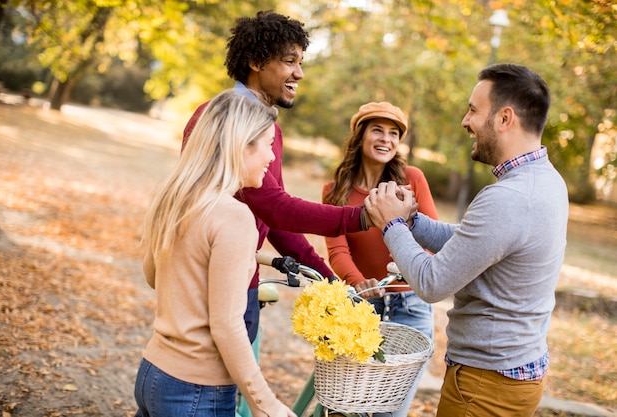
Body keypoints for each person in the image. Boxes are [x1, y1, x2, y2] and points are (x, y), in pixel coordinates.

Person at [364, 63, 568, 416]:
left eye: (473, 109)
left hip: (484, 385)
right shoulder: (544, 181)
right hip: (512, 373)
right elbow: (470, 243)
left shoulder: (509, 197)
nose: (465, 120)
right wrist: (412, 221)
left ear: (505, 119)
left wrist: (391, 225)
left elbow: (431, 283)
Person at [181, 10, 371, 345]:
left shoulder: (259, 124)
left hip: (236, 279)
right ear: (256, 61)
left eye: (301, 62)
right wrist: (365, 216)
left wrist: (329, 280)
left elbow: (274, 219)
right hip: (217, 284)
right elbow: (275, 208)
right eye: (289, 61)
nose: (298, 73)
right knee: (211, 394)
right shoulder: (228, 119)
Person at [134, 90, 295, 417]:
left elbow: (153, 275)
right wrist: (265, 404)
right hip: (196, 391)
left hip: (153, 375)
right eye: (267, 144)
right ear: (242, 146)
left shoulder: (177, 197)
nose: (271, 157)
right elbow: (227, 325)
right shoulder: (234, 216)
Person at [322, 101, 438, 415]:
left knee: (391, 411)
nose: (385, 139)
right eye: (377, 130)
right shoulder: (335, 192)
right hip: (361, 307)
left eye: (393, 133)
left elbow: (431, 238)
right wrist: (360, 284)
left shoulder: (412, 179)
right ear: (360, 136)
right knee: (349, 406)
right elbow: (338, 250)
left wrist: (410, 265)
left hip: (410, 305)